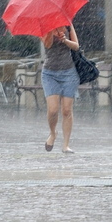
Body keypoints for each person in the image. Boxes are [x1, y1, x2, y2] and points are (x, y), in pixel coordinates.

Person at [40, 24, 80, 154]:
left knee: (67, 110)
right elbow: (47, 45)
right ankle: (53, 133)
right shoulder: (43, 26)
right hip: (49, 73)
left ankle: (66, 145)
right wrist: (51, 31)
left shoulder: (68, 24)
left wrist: (65, 40)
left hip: (69, 72)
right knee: (53, 110)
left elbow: (76, 46)